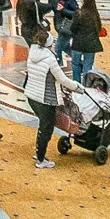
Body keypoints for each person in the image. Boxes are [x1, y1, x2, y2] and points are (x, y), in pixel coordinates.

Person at [22, 37, 80, 170]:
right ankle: (41, 159)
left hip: (32, 95)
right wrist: (78, 88)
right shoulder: (50, 59)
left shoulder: (33, 52)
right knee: (46, 128)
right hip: (46, 98)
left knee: (43, 125)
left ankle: (39, 153)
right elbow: (62, 79)